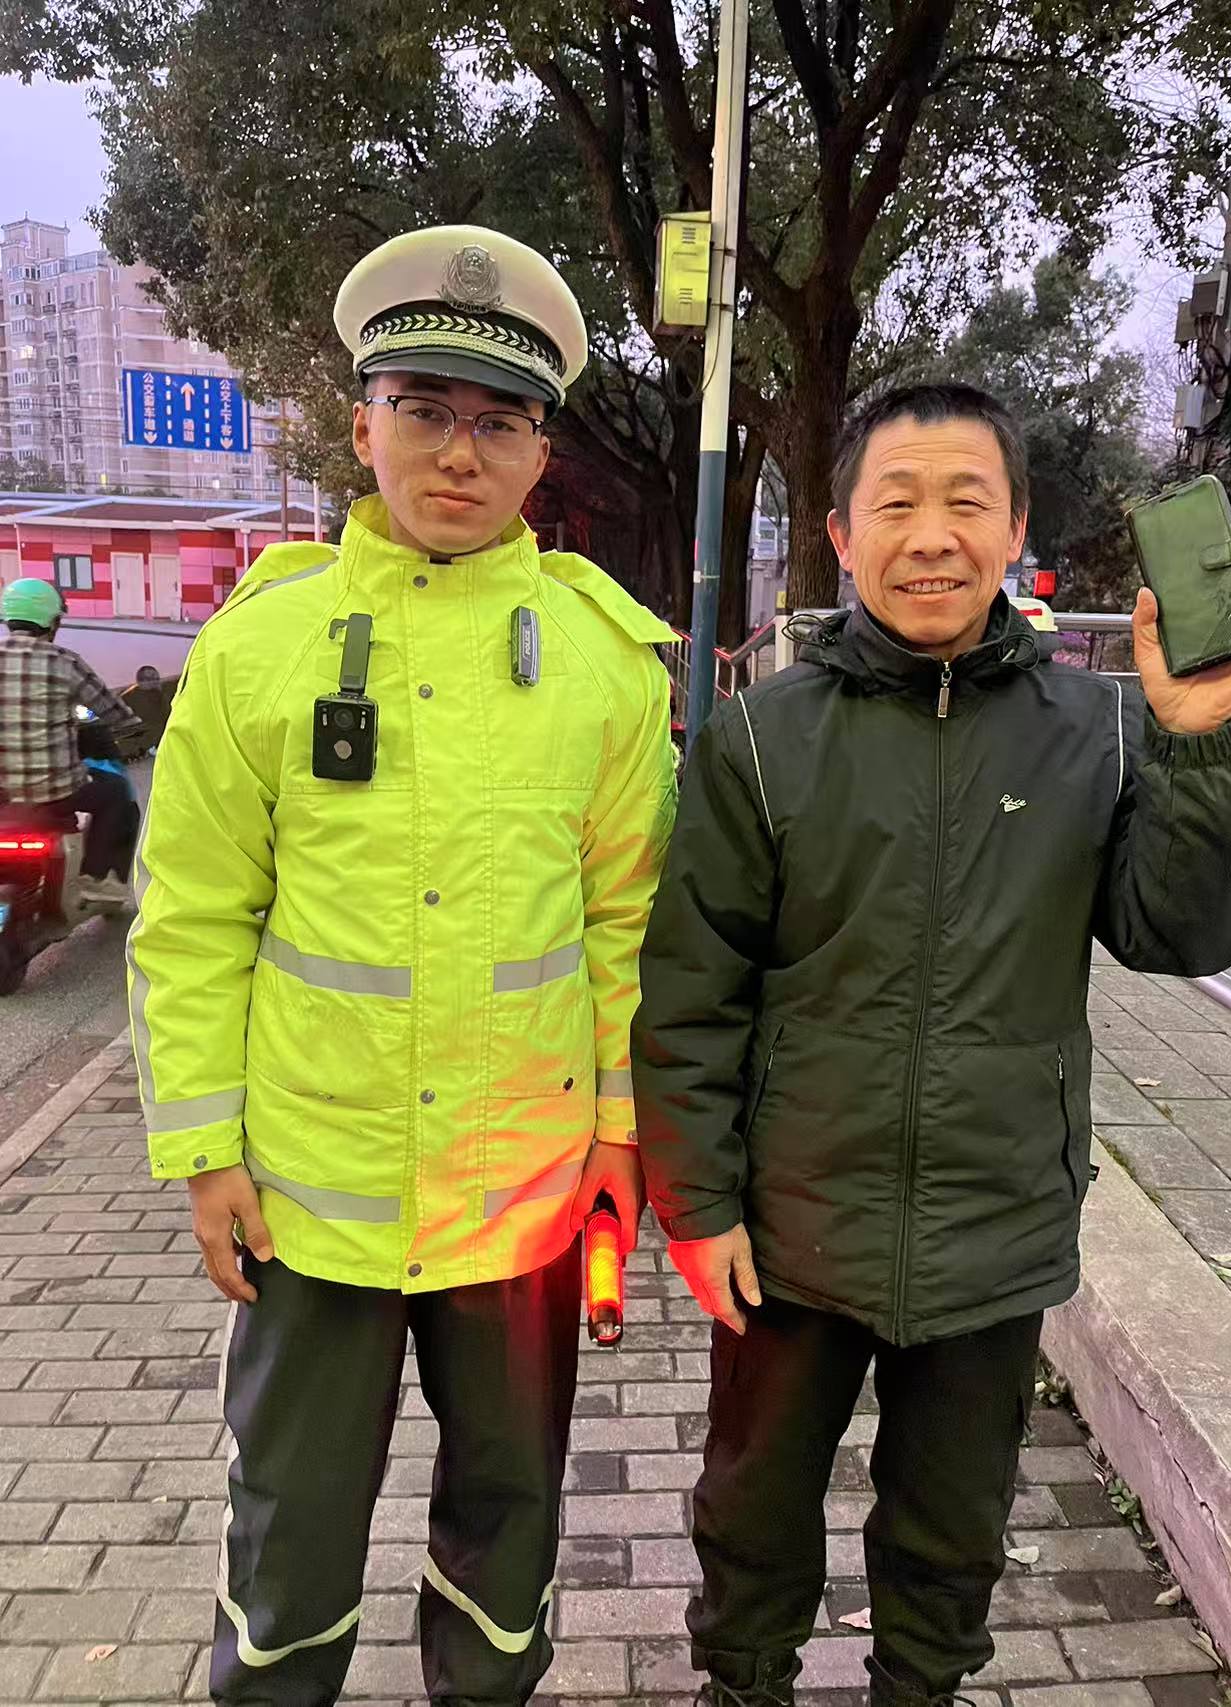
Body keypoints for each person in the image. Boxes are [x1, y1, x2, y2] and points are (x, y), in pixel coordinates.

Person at [632, 383, 1231, 1707]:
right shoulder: (761, 735)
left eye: (965, 502)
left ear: (1014, 527)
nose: (931, 535)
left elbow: (1180, 934)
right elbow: (692, 989)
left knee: (950, 1533)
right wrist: (698, 1203)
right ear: (842, 533)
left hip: (995, 1227)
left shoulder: (1099, 729)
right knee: (751, 1511)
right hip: (792, 1229)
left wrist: (1205, 742)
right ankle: (741, 1684)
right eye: (897, 504)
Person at [126, 225, 676, 1707]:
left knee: (508, 1521)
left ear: (541, 450)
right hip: (312, 1198)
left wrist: (619, 1133)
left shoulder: (606, 661)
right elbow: (193, 917)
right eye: (424, 408)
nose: (457, 452)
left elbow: (625, 926)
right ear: (362, 420)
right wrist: (202, 1148)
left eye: (498, 421)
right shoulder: (263, 648)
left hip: (524, 1194)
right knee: (290, 1522)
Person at [0, 576, 142, 906]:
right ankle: (96, 878)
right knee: (117, 791)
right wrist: (134, 726)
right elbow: (114, 712)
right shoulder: (64, 662)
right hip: (56, 791)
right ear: (53, 622)